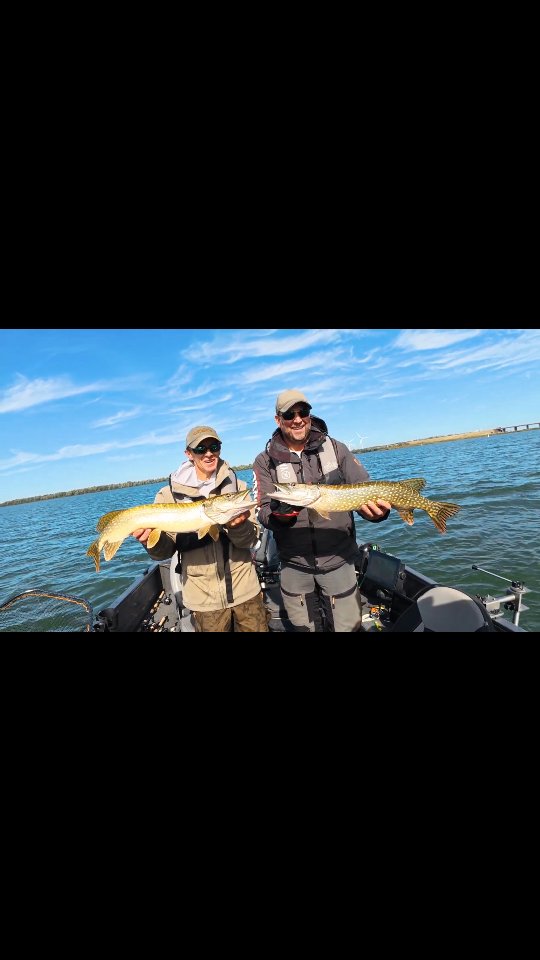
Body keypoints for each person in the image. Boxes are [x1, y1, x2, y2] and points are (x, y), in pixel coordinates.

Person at [252, 390, 391, 632]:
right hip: (294, 565)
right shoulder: (264, 461)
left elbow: (364, 493)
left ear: (309, 414)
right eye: (289, 414)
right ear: (278, 419)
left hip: (339, 561)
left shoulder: (336, 449)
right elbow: (263, 512)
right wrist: (279, 517)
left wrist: (377, 514)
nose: (297, 419)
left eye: (303, 412)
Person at [132, 425, 269, 632]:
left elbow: (251, 540)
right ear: (189, 454)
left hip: (246, 591)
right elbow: (163, 552)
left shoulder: (237, 487)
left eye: (214, 447)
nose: (208, 453)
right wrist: (149, 540)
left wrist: (239, 527)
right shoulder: (168, 495)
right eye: (200, 449)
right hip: (204, 600)